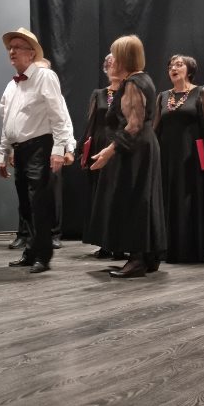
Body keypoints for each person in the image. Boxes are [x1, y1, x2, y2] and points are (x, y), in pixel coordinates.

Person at [87, 34, 166, 278]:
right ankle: (148, 257)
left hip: (135, 149)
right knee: (143, 198)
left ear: (124, 58)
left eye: (115, 55)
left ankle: (137, 259)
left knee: (135, 200)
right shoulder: (141, 79)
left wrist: (108, 151)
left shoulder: (133, 83)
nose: (111, 60)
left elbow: (133, 125)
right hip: (142, 146)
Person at [0, 28, 73, 273]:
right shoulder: (11, 86)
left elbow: (58, 115)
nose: (12, 51)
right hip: (20, 150)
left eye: (17, 47)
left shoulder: (45, 76)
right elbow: (7, 122)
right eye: (10, 47)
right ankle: (30, 251)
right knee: (25, 204)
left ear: (31, 54)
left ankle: (43, 254)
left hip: (40, 147)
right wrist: (4, 154)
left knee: (39, 203)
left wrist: (59, 149)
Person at [6, 57, 75, 251]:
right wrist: (10, 149)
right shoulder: (19, 90)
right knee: (26, 194)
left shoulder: (52, 90)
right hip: (26, 147)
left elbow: (64, 120)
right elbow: (13, 120)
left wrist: (68, 148)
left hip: (49, 146)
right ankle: (25, 234)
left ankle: (53, 234)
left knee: (49, 195)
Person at [154, 54, 204, 263]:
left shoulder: (201, 92)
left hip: (192, 155)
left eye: (179, 65)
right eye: (171, 65)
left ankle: (191, 249)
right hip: (167, 156)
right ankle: (166, 248)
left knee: (189, 198)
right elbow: (156, 128)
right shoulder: (163, 96)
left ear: (190, 70)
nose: (173, 68)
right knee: (168, 198)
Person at [78, 52, 124, 259]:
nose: (113, 66)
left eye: (117, 63)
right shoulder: (98, 94)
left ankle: (119, 244)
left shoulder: (129, 91)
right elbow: (91, 122)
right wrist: (83, 150)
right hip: (98, 145)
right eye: (110, 64)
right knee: (100, 195)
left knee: (117, 195)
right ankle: (105, 243)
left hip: (119, 146)